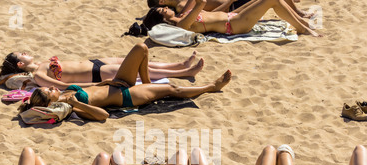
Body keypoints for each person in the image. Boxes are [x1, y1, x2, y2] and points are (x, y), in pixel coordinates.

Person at [18, 42, 231, 121]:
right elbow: (103, 116)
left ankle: (148, 83)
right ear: (51, 102)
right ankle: (211, 87)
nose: (53, 87)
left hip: (116, 84)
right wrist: (78, 104)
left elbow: (90, 89)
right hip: (126, 97)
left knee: (141, 49)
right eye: (50, 91)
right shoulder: (70, 108)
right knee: (171, 88)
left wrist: (103, 84)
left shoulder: (66, 94)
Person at [0, 45, 204, 90]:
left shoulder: (42, 63)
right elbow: (66, 86)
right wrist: (99, 84)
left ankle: (179, 64)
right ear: (20, 64)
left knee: (135, 59)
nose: (25, 51)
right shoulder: (39, 73)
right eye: (21, 55)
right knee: (143, 70)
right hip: (96, 73)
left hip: (95, 62)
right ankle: (185, 72)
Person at [143, 0, 322, 37]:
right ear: (162, 19)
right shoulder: (182, 24)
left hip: (232, 16)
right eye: (163, 10)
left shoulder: (182, 17)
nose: (166, 9)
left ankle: (302, 23)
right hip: (235, 24)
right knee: (271, 0)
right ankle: (303, 28)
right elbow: (200, 3)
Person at [147, 0, 311, 18]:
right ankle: (298, 13)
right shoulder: (183, 6)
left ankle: (295, 8)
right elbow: (215, 14)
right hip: (234, 6)